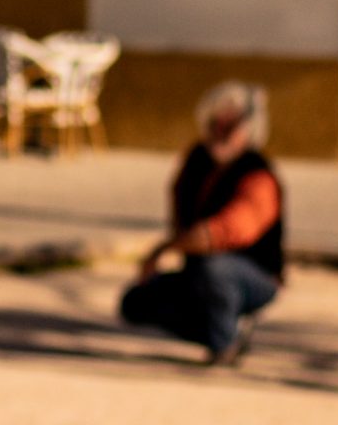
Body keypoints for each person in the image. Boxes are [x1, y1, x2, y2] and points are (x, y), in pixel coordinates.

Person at [120, 83, 284, 366]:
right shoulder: (197, 161)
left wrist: (164, 248)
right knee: (136, 301)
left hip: (252, 276)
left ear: (248, 130)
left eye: (229, 126)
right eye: (214, 123)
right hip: (198, 272)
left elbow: (228, 230)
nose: (219, 132)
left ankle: (224, 345)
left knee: (216, 268)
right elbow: (178, 207)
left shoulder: (258, 174)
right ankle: (220, 328)